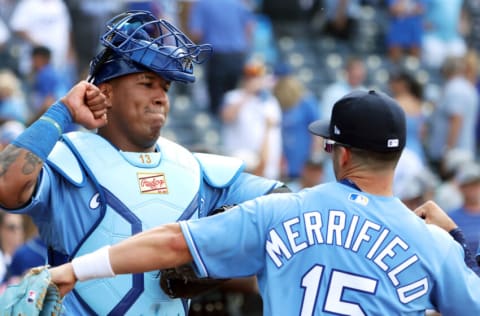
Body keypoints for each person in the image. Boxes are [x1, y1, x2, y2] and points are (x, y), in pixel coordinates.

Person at [49, 90, 480, 315]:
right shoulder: (433, 245)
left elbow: (171, 243)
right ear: (398, 155)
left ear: (341, 153)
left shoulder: (282, 211)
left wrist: (73, 270)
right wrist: (457, 242)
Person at [0, 10, 286, 315]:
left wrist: (216, 255)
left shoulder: (195, 170)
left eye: (165, 87)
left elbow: (283, 202)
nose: (160, 96)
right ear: (105, 92)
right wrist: (63, 111)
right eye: (147, 83)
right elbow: (7, 187)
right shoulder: (68, 160)